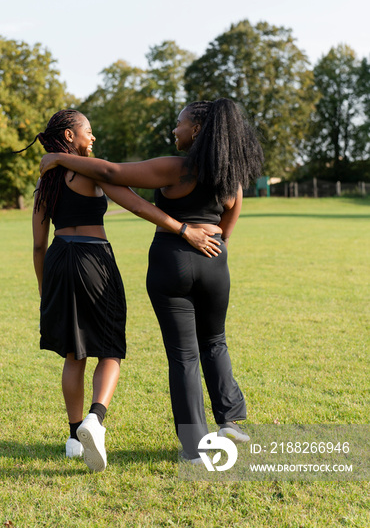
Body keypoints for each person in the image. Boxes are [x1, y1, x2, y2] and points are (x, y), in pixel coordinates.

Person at [39, 99, 264, 461]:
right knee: (216, 341)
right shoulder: (231, 176)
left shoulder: (175, 167)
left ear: (195, 130)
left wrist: (61, 158)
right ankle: (231, 421)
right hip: (213, 258)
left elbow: (112, 174)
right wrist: (210, 247)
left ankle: (194, 448)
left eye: (179, 123)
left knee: (184, 356)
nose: (174, 129)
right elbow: (229, 224)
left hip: (170, 262)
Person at [15, 108, 222, 472]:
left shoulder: (44, 184)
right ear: (69, 137)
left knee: (72, 353)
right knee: (110, 349)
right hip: (95, 260)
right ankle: (95, 419)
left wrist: (44, 289)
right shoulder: (91, 171)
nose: (92, 139)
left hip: (59, 260)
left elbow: (36, 245)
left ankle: (72, 436)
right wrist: (182, 228)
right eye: (88, 132)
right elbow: (137, 204)